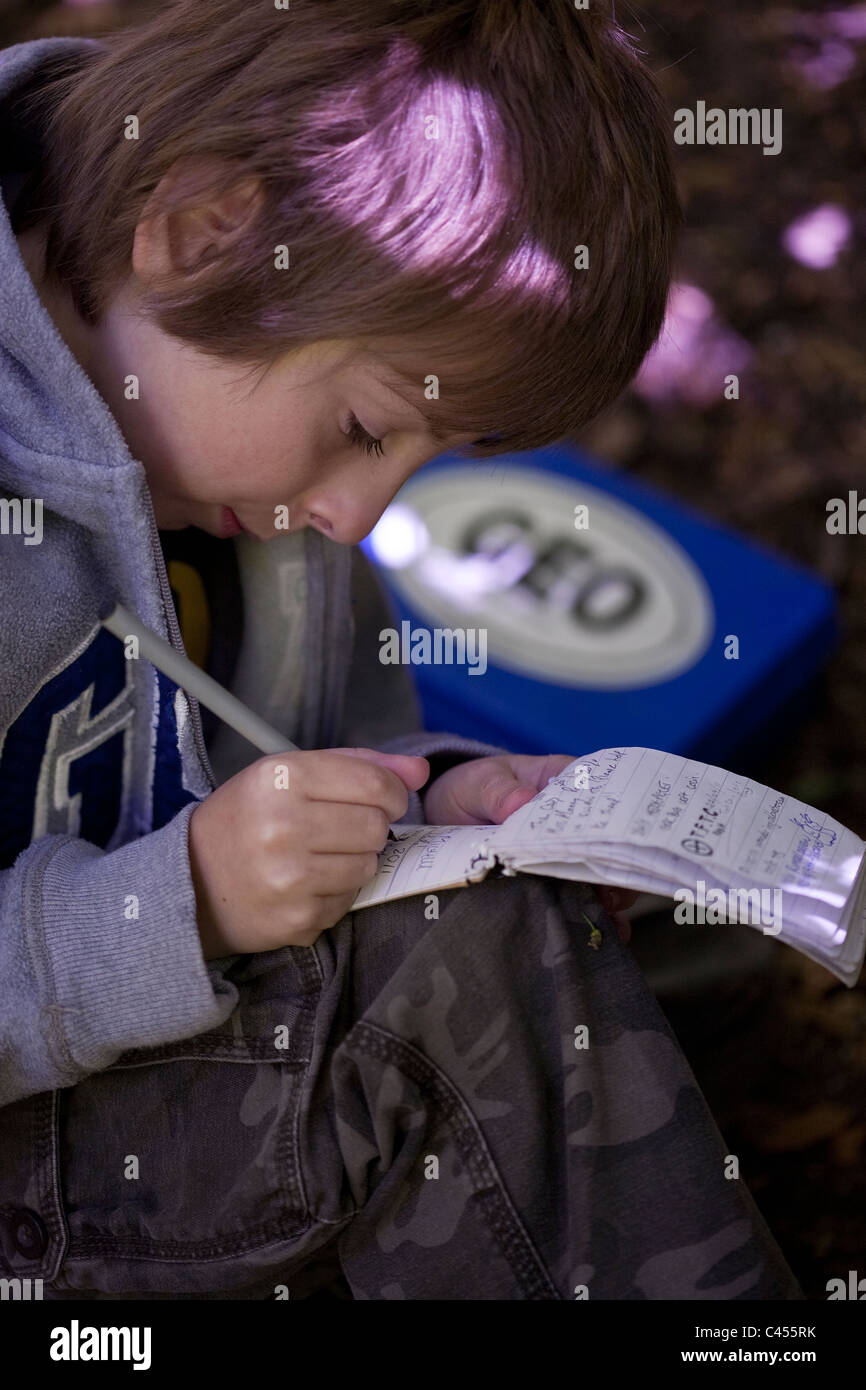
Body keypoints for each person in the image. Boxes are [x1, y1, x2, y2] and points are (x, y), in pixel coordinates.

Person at [0, 0, 802, 1299]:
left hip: (163, 1066)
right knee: (456, 976)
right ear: (203, 231)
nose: (360, 516)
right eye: (368, 427)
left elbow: (309, 737)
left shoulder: (253, 464)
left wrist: (426, 791)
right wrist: (181, 902)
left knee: (547, 921)